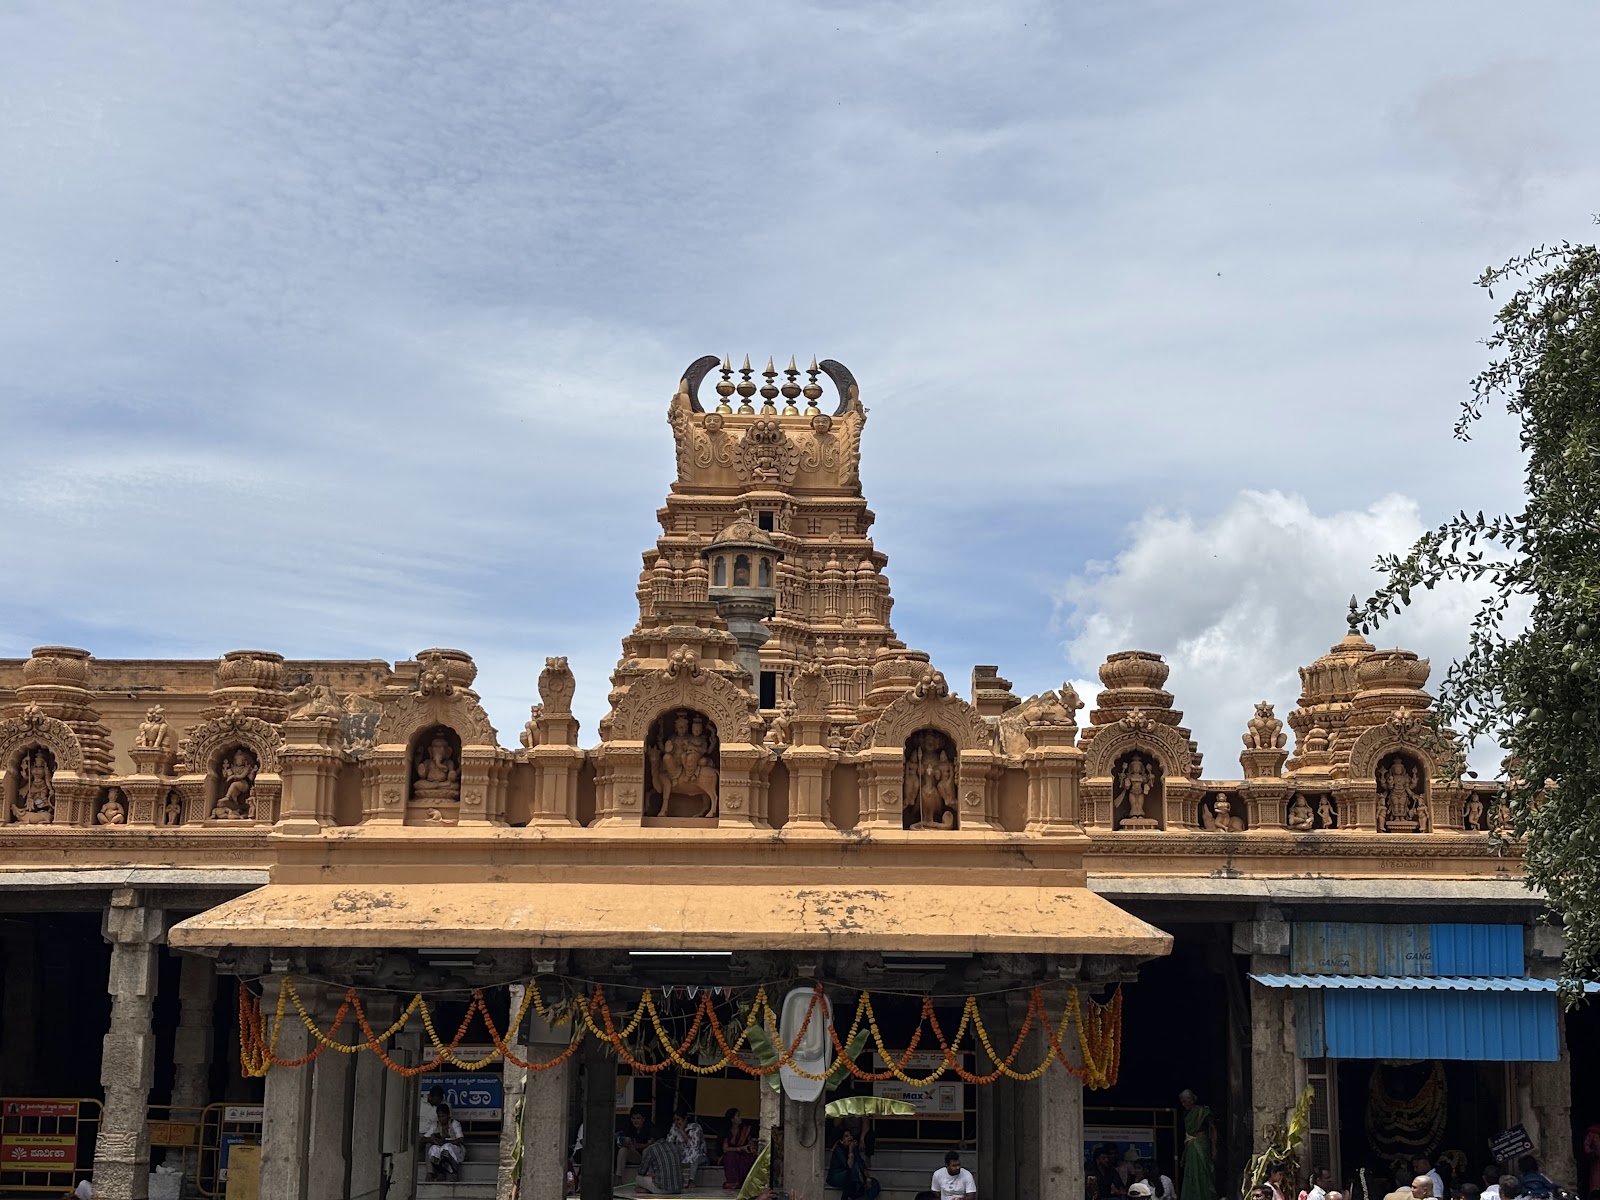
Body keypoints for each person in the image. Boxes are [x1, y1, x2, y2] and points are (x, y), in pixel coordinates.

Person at [1178, 1091, 1216, 1200]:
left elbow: (1212, 1129)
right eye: (1182, 1102)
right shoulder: (1185, 1114)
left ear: (1191, 1100)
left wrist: (1214, 1148)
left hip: (1201, 1143)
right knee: (1191, 1171)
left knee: (1203, 1170)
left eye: (1185, 1102)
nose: (1183, 1105)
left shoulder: (1202, 1112)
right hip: (1191, 1146)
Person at [827, 1128, 881, 1200]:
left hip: (853, 1177)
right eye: (846, 1136)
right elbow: (849, 1165)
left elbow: (861, 1164)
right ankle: (855, 1193)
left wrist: (867, 1178)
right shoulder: (838, 1150)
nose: (850, 1137)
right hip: (837, 1176)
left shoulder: (854, 1148)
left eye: (850, 1135)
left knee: (874, 1183)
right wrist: (850, 1150)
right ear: (841, 1141)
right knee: (854, 1169)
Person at [425, 1103, 464, 1181]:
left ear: (448, 1115)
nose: (441, 1119)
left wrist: (445, 1141)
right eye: (439, 1116)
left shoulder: (454, 1123)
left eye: (443, 1116)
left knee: (446, 1147)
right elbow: (424, 1138)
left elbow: (460, 1140)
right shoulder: (435, 1125)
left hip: (455, 1149)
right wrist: (433, 1139)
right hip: (440, 1147)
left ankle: (455, 1173)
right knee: (433, 1149)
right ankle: (441, 1173)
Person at [720, 1108, 757, 1191]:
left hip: (743, 1154)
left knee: (752, 1157)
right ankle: (732, 1182)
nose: (741, 1117)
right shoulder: (726, 1131)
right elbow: (725, 1149)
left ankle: (745, 1182)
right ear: (732, 1119)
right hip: (731, 1154)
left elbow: (750, 1142)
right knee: (731, 1156)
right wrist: (739, 1149)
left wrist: (751, 1148)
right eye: (738, 1116)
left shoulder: (744, 1129)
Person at [669, 1112, 708, 1177]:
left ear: (685, 1119)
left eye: (678, 1119)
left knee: (694, 1153)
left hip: (697, 1155)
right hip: (683, 1155)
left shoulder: (695, 1127)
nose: (676, 1122)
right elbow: (669, 1142)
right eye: (674, 1120)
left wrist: (682, 1131)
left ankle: (691, 1180)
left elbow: (694, 1146)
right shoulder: (674, 1127)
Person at [617, 1109, 652, 1182]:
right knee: (623, 1150)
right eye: (633, 1118)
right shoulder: (629, 1128)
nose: (635, 1121)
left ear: (643, 1119)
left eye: (638, 1118)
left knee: (647, 1150)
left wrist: (637, 1146)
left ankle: (647, 1176)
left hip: (646, 1157)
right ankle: (619, 1177)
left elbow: (651, 1144)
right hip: (635, 1156)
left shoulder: (649, 1128)